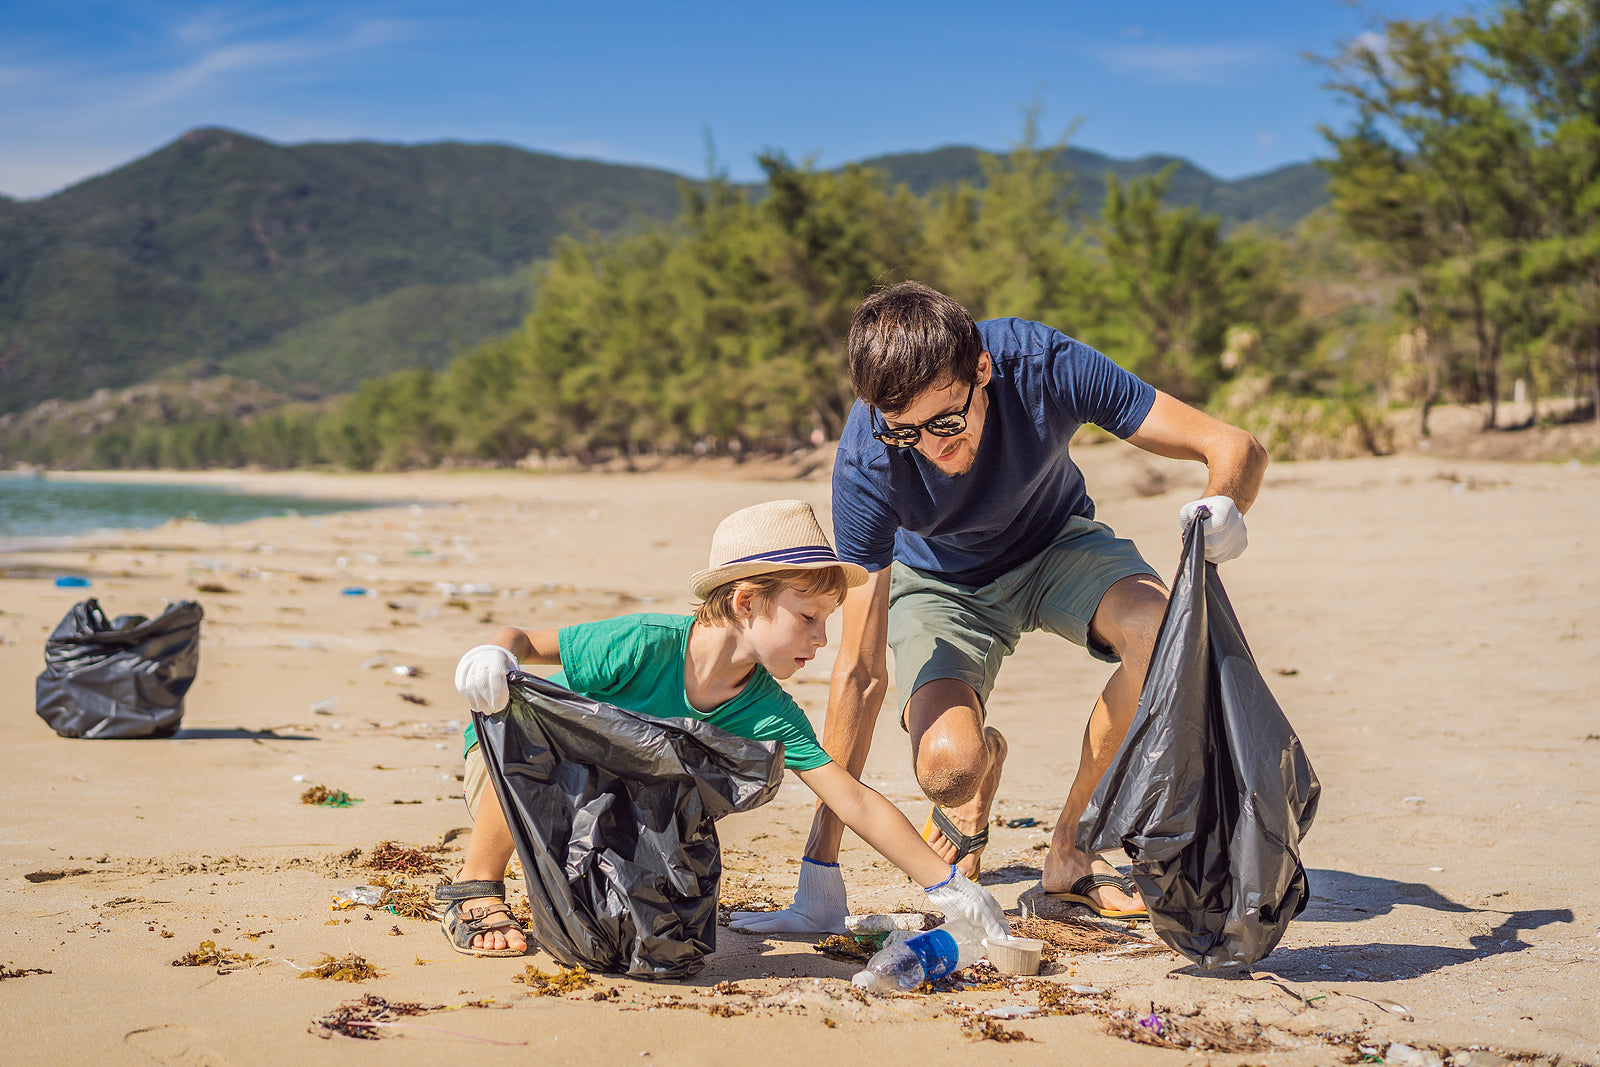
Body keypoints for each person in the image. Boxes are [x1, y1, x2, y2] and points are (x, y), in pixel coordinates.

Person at [728, 281, 1267, 936]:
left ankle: (1071, 847)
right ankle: (977, 780)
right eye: (907, 433)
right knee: (946, 767)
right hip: (939, 585)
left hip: (1055, 544)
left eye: (947, 421)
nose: (931, 446)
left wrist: (1222, 511)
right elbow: (860, 674)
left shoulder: (1041, 364)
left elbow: (1233, 447)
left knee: (1161, 631)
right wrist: (819, 871)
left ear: (982, 368)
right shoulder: (869, 460)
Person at [440, 498, 1011, 957]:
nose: (821, 639)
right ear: (745, 601)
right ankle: (475, 889)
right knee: (530, 725)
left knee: (657, 933)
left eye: (826, 623)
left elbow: (852, 799)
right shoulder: (644, 643)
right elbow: (521, 641)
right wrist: (491, 658)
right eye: (807, 618)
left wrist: (947, 885)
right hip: (520, 775)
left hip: (616, 801)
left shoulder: (766, 708)